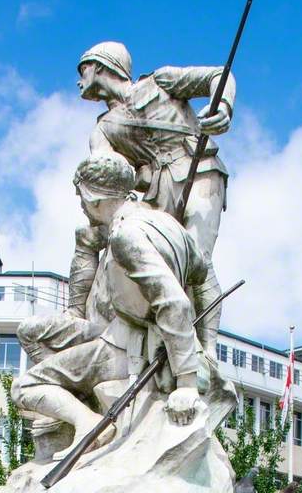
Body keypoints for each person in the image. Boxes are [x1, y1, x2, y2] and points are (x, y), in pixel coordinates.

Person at [10, 154, 215, 461]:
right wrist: (207, 346)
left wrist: (186, 382)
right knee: (32, 331)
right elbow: (207, 283)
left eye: (81, 198)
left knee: (25, 385)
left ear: (93, 198)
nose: (80, 206)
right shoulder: (167, 224)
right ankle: (74, 403)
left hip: (126, 350)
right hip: (123, 338)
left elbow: (173, 301)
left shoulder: (125, 235)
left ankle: (86, 420)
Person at [74, 41, 236, 354]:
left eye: (84, 68)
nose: (80, 78)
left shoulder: (160, 81)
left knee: (196, 258)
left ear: (101, 65)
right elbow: (106, 177)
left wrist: (224, 107)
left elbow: (220, 76)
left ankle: (208, 351)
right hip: (153, 195)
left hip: (199, 170)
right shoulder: (103, 130)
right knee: (149, 261)